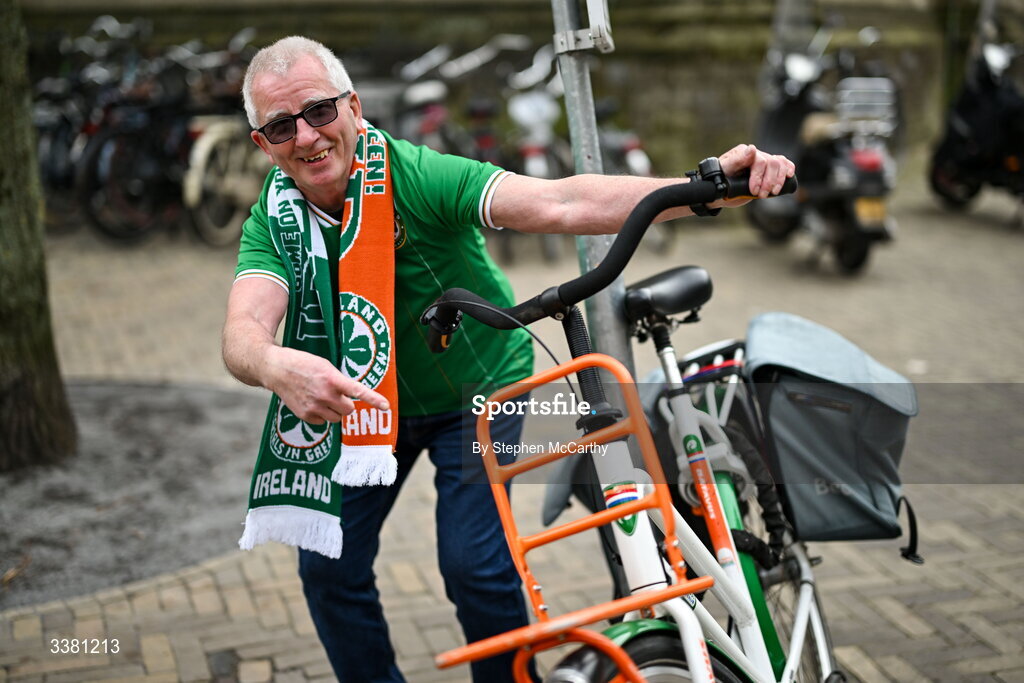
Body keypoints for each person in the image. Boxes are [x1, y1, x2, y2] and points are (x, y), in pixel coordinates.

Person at [222, 35, 793, 683]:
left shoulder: (413, 175)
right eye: (280, 125)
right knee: (327, 568)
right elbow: (243, 327)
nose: (306, 136)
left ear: (354, 108)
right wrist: (276, 366)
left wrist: (706, 186)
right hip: (365, 405)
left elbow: (561, 202)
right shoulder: (275, 220)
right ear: (261, 144)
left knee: (472, 563)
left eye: (320, 112)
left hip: (480, 390)